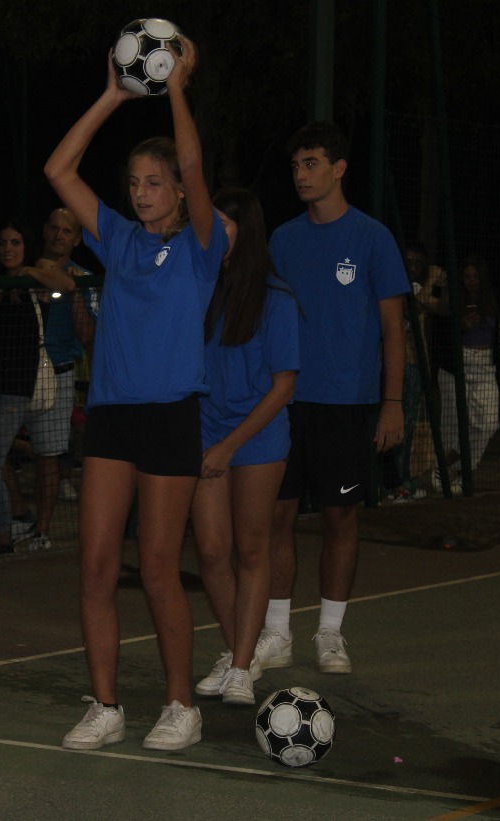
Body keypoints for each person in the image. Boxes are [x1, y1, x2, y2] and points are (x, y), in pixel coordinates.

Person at [44, 36, 226, 752]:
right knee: (95, 565)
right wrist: (113, 95)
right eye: (134, 182)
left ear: (178, 191)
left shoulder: (203, 245)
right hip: (114, 416)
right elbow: (58, 169)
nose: (141, 191)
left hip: (172, 417)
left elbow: (194, 163)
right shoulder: (118, 240)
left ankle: (182, 705)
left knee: (156, 568)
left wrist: (176, 87)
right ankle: (107, 706)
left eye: (154, 182)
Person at [256, 120, 409, 676]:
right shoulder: (283, 239)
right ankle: (276, 633)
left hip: (346, 402)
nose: (300, 175)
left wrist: (392, 402)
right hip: (285, 400)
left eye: (311, 163)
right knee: (277, 514)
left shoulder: (372, 237)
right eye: (295, 165)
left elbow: (393, 328)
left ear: (339, 168)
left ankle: (330, 632)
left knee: (341, 515)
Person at [190, 188, 299, 706]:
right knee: (212, 550)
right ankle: (242, 649)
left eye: (223, 224)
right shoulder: (203, 287)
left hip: (257, 437)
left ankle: (239, 667)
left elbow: (284, 387)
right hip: (207, 431)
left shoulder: (276, 297)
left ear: (245, 230)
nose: (212, 231)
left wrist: (230, 446)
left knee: (252, 549)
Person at [0, 218, 74, 557]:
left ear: (26, 246)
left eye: (15, 242)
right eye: (3, 243)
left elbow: (67, 285)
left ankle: (3, 537)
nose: (8, 249)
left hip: (14, 387)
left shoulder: (35, 278)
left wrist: (28, 272)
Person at [19, 207, 99, 547]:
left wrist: (74, 291)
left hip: (59, 372)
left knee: (48, 456)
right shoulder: (21, 268)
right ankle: (15, 517)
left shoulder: (85, 278)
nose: (58, 235)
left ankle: (42, 530)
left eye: (66, 231)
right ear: (44, 230)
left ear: (77, 238)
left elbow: (87, 334)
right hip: (16, 373)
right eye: (53, 228)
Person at [431, 258, 500, 493]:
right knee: (455, 423)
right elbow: (440, 326)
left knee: (488, 423)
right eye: (467, 277)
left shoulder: (491, 300)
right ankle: (462, 476)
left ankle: (447, 464)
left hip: (485, 364)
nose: (472, 282)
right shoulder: (454, 298)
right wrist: (460, 326)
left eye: (476, 277)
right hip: (459, 364)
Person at [381, 242, 442, 502]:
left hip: (418, 364)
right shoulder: (396, 288)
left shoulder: (418, 289)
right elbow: (413, 308)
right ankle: (396, 484)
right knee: (397, 428)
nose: (414, 267)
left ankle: (401, 481)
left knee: (409, 429)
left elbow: (442, 307)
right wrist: (431, 282)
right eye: (409, 262)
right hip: (400, 366)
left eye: (419, 263)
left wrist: (441, 284)